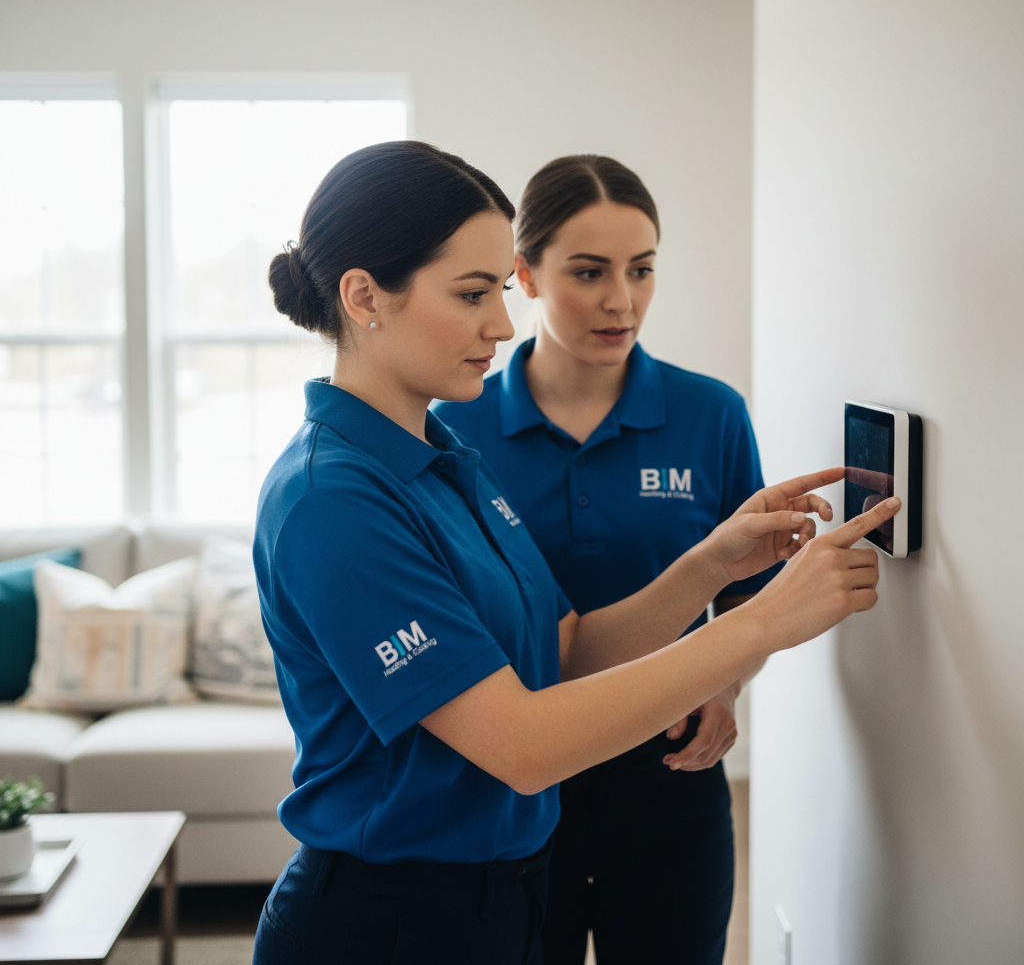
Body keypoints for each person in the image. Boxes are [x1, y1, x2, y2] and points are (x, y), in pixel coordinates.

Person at [251, 140, 897, 965]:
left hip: (501, 898)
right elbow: (523, 746)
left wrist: (714, 565)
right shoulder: (332, 499)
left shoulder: (445, 456)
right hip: (394, 920)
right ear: (365, 295)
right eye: (475, 293)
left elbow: (566, 649)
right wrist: (764, 621)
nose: (501, 322)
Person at [432, 154, 771, 964]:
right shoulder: (454, 431)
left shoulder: (711, 414)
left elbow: (753, 595)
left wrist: (724, 686)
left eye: (642, 269)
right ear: (526, 274)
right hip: (517, 786)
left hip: (670, 781)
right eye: (589, 272)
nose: (622, 301)